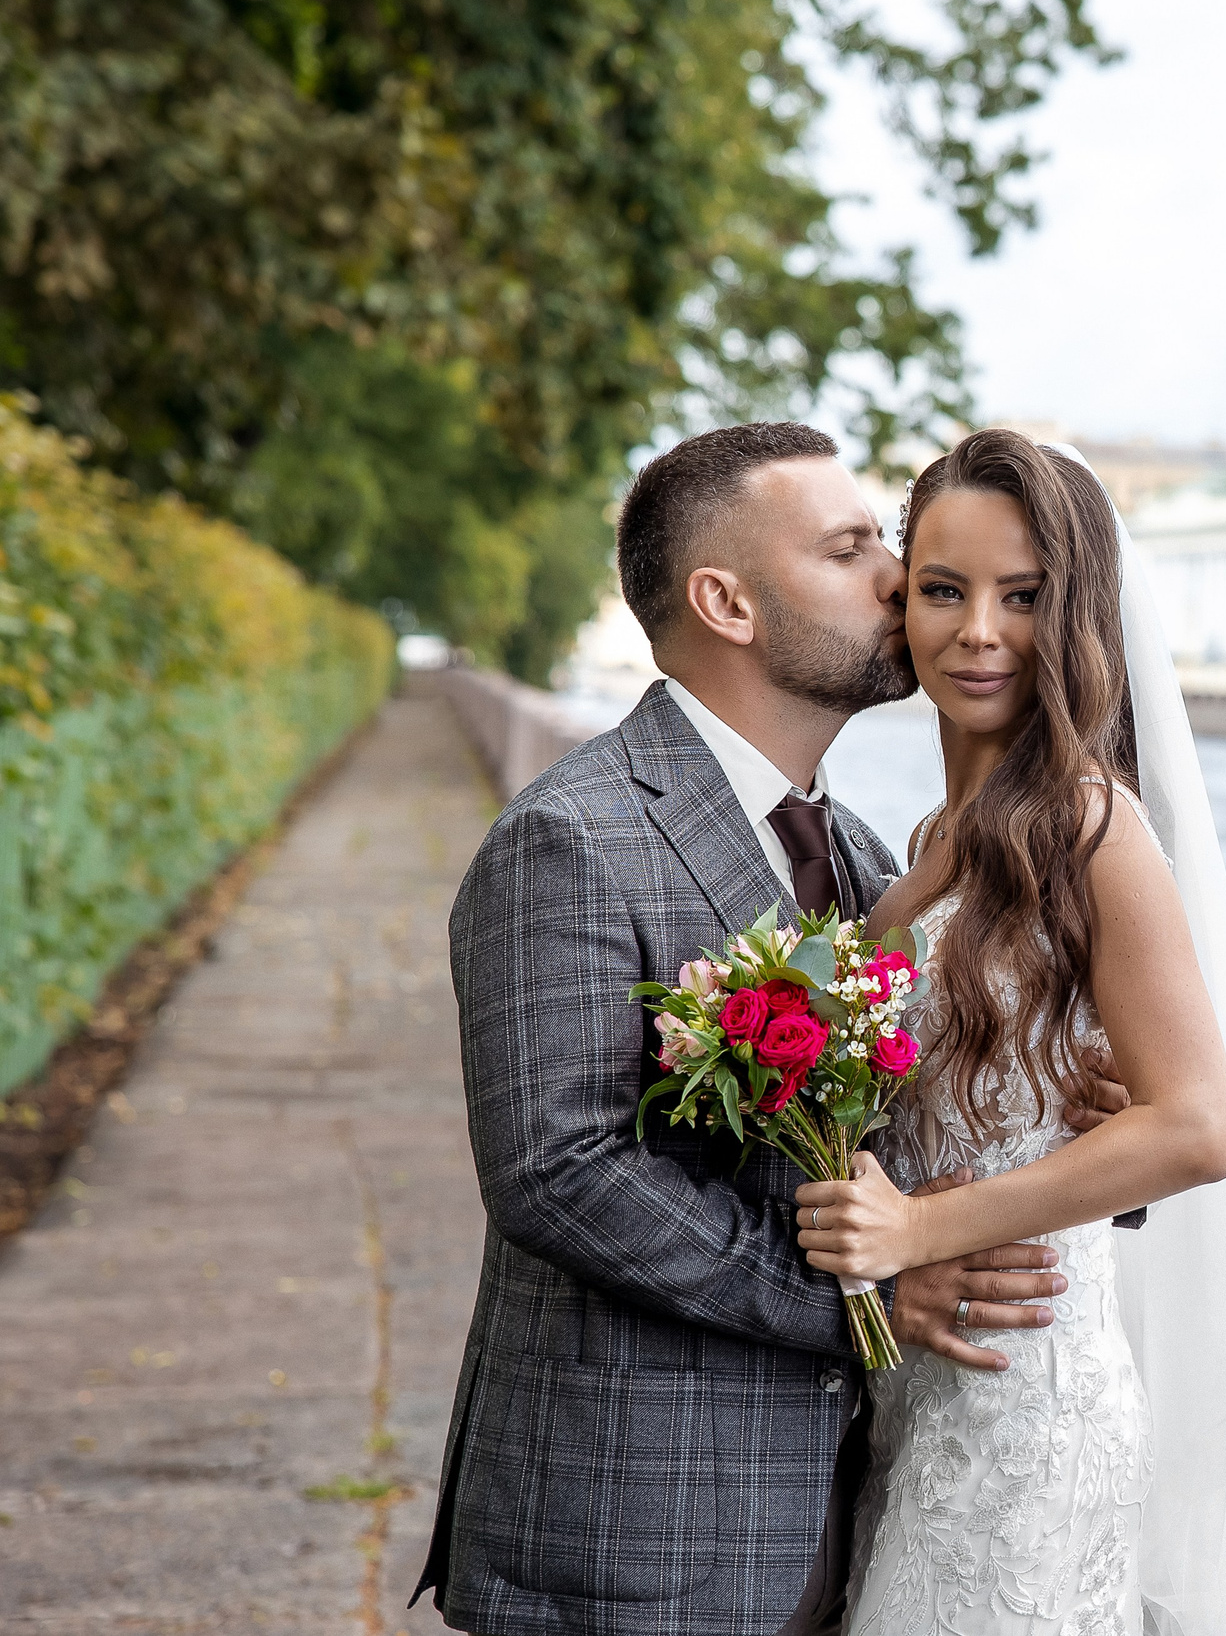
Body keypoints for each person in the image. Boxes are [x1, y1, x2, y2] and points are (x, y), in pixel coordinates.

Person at [415, 423, 1123, 1636]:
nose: (899, 582)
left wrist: (1053, 1111)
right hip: (636, 1529)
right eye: (853, 550)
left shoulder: (854, 853)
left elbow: (890, 1116)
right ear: (726, 602)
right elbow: (558, 1170)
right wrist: (862, 1303)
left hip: (839, 1515)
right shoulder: (570, 838)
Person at [791, 429, 1226, 1635]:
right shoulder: (937, 837)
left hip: (1027, 1406)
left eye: (1023, 597)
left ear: (1080, 615)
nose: (977, 631)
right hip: (920, 1386)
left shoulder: (1092, 827)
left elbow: (1198, 1128)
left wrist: (919, 1226)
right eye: (943, 590)